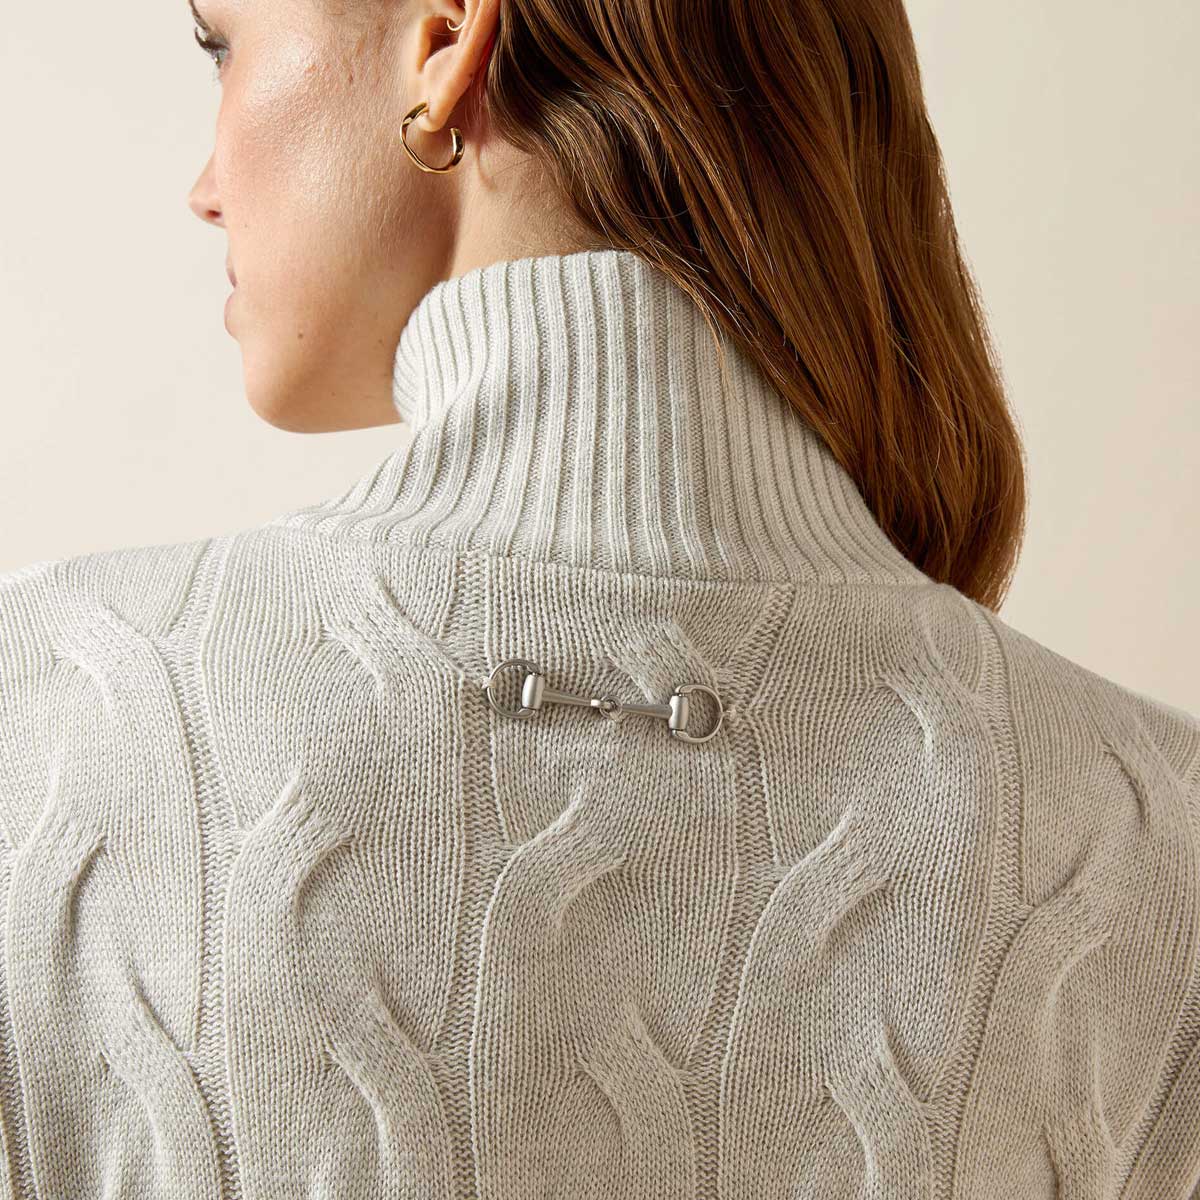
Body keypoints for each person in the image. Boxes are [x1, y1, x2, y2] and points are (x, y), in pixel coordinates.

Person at [0, 0, 1196, 1195]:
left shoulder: (41, 712)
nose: (204, 190)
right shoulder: (1156, 828)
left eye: (222, 42)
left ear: (447, 43)